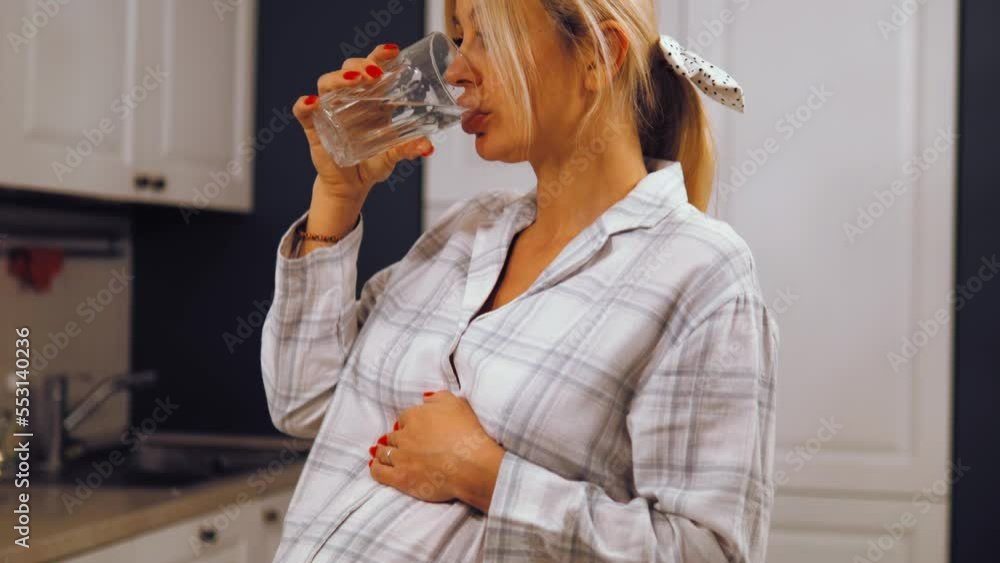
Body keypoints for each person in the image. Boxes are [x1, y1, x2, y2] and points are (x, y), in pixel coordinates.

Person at [261, 0, 778, 560]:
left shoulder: (699, 271)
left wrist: (487, 475)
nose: (456, 70)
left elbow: (706, 551)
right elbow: (303, 403)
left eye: (488, 35)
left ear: (599, 55)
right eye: (459, 38)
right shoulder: (464, 230)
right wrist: (338, 197)